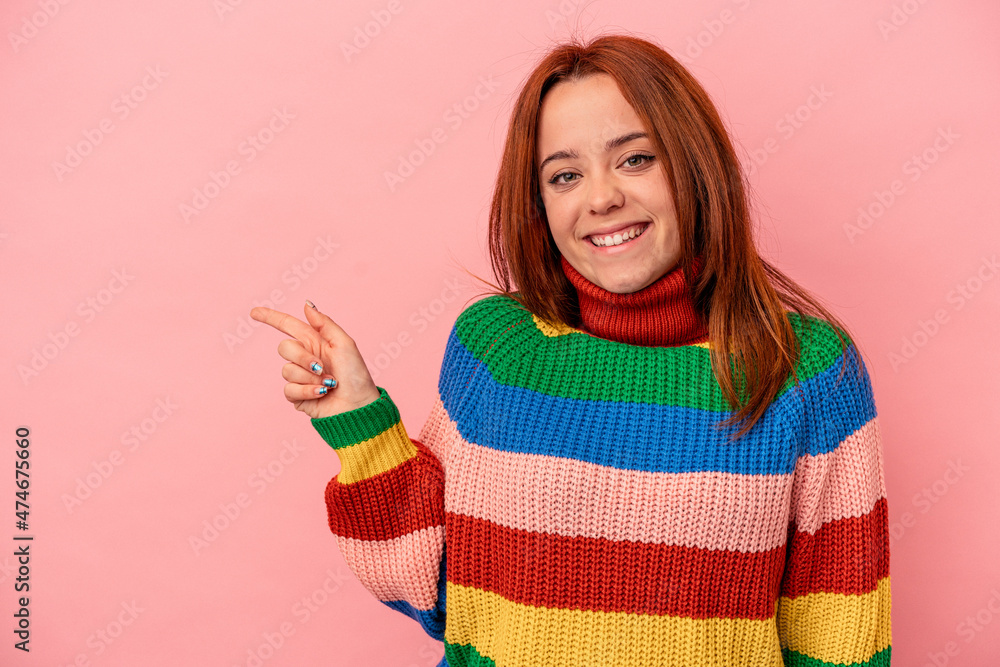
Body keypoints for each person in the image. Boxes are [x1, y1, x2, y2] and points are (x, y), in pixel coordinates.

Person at [251, 33, 891, 667]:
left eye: (636, 159)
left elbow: (842, 646)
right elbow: (441, 593)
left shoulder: (805, 371)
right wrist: (359, 419)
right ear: (540, 203)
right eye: (564, 175)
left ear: (697, 166)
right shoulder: (499, 352)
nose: (601, 197)